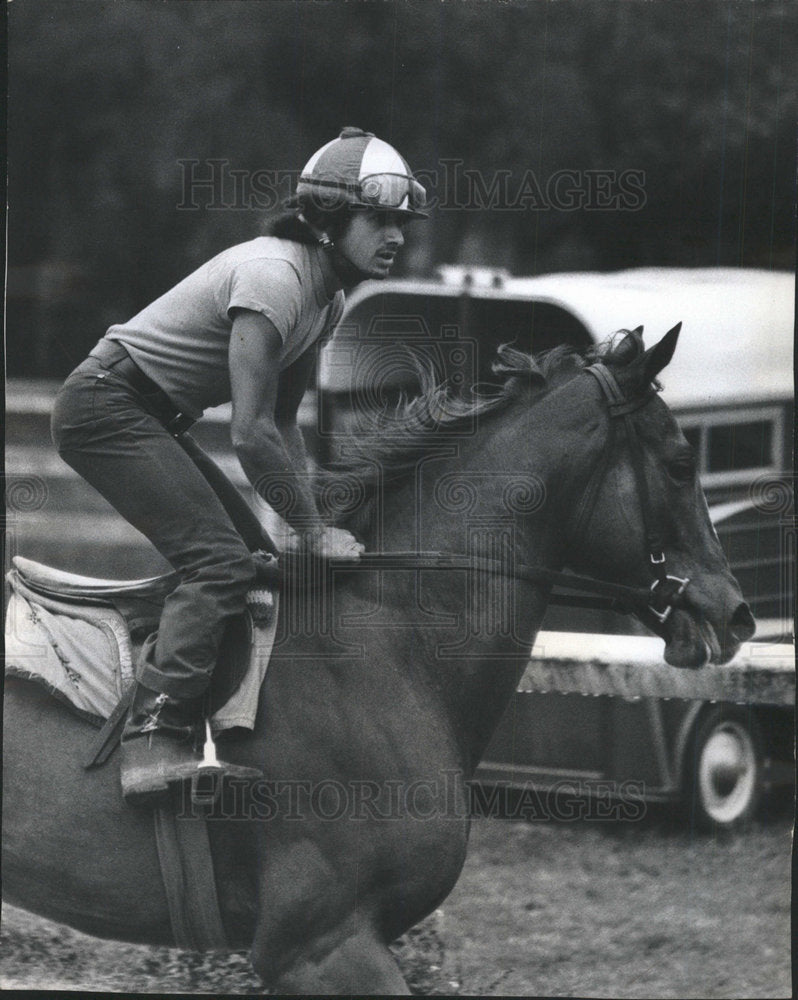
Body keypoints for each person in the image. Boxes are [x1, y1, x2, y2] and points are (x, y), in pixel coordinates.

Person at [51, 126, 428, 803]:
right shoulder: (274, 278)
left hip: (146, 415)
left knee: (254, 561)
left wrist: (307, 529)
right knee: (221, 563)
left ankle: (204, 725)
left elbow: (286, 426)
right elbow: (251, 434)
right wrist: (313, 534)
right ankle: (151, 741)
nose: (397, 236)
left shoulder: (328, 297)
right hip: (103, 408)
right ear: (329, 220)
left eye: (402, 221)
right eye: (380, 219)